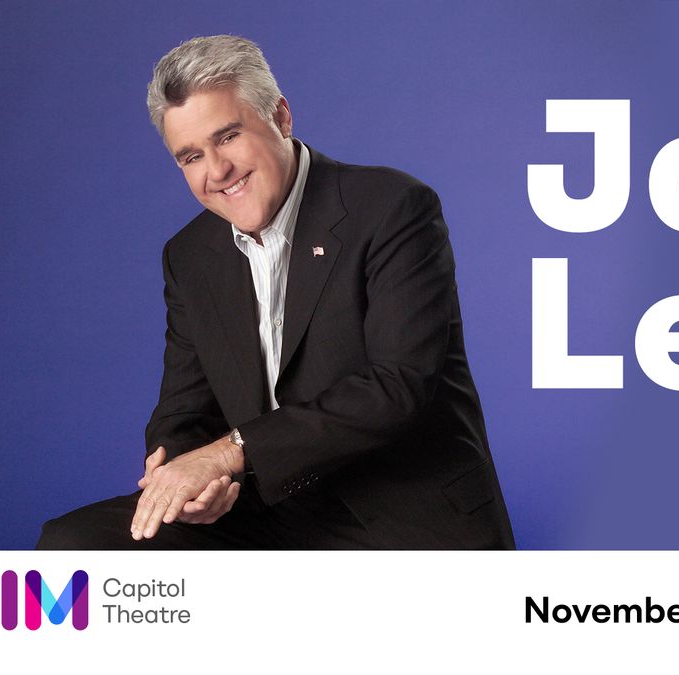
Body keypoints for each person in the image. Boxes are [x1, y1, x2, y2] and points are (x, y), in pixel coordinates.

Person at [36, 35, 514, 549]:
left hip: (399, 514)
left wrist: (228, 454)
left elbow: (397, 386)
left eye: (228, 136)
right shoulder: (190, 255)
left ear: (281, 118)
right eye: (191, 156)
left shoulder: (392, 207)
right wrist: (187, 472)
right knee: (73, 543)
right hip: (264, 509)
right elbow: (184, 407)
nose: (216, 171)